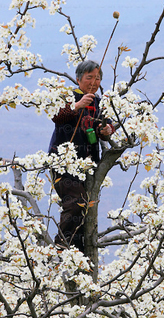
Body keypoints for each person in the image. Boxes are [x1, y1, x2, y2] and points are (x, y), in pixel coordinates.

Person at [48, 60, 115, 253]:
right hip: (63, 163)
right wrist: (76, 105)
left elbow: (107, 126)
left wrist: (106, 130)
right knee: (76, 201)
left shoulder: (98, 102)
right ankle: (62, 243)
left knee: (86, 207)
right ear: (78, 79)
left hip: (87, 165)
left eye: (97, 78)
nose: (94, 82)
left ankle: (78, 251)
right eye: (89, 78)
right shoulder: (68, 97)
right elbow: (56, 116)